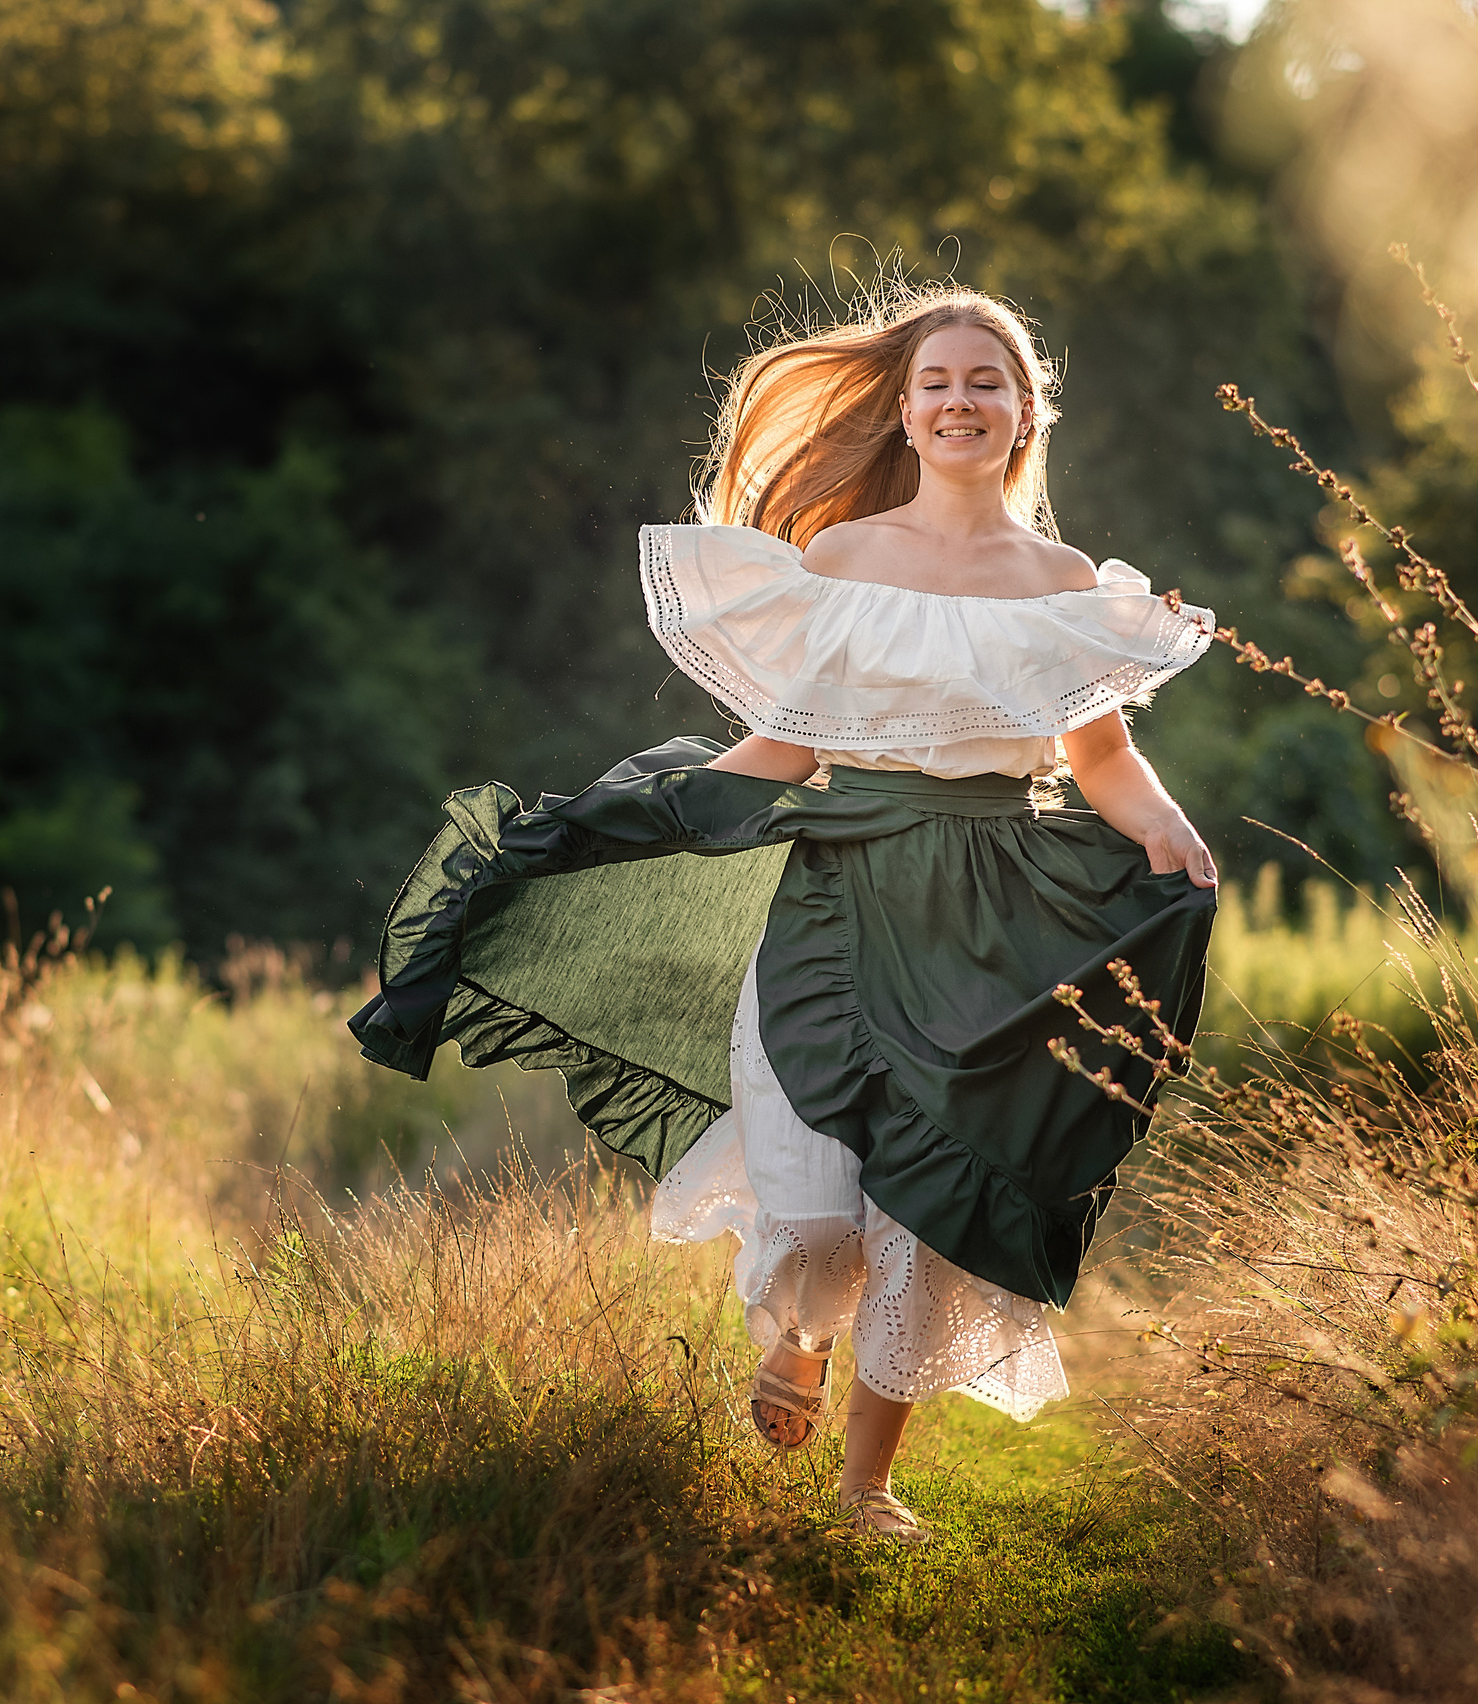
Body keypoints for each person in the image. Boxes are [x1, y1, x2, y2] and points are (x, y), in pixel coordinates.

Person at [352, 283, 1218, 1541]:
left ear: (1026, 412)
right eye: (936, 385)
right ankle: (799, 1336)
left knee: (924, 1217)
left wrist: (1166, 824)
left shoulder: (1063, 580)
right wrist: (604, 819)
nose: (960, 401)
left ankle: (867, 1490)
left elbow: (1095, 759)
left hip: (997, 916)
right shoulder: (844, 560)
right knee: (817, 1209)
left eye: (987, 381)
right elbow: (783, 748)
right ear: (907, 414)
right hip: (839, 903)